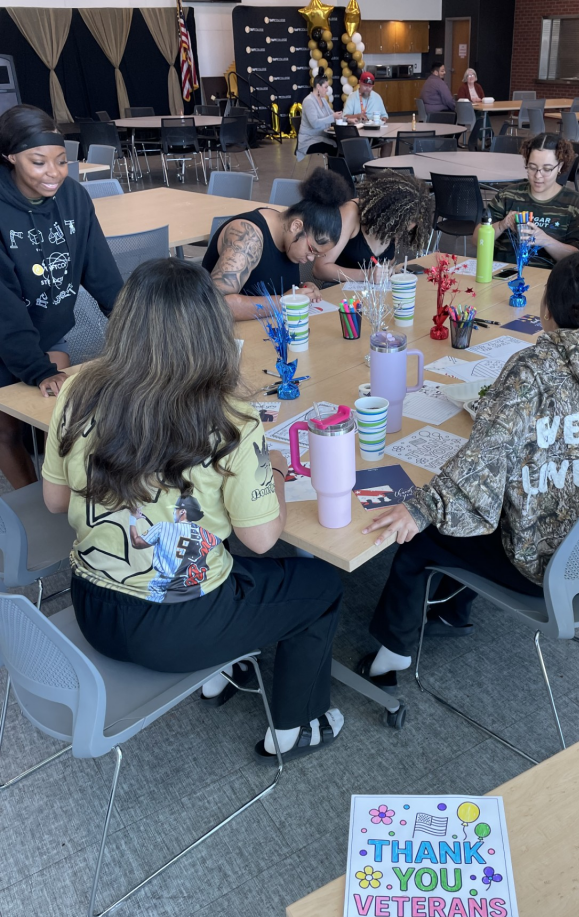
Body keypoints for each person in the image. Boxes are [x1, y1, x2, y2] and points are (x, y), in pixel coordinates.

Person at [41, 258, 345, 762]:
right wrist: (271, 471)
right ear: (211, 330)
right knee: (322, 587)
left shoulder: (77, 387)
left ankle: (221, 673)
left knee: (219, 557)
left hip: (91, 604)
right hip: (177, 628)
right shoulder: (231, 418)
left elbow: (54, 500)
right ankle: (296, 726)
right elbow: (263, 539)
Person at [354, 248, 579, 688]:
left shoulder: (534, 370)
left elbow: (483, 456)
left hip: (549, 562)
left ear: (548, 309)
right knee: (491, 501)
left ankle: (392, 658)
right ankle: (452, 609)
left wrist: (420, 509)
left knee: (425, 537)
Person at [0, 103, 122, 489]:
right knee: (5, 433)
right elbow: (3, 308)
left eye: (61, 161)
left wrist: (138, 323)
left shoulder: (73, 198)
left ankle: (58, 498)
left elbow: (101, 273)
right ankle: (29, 507)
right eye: (38, 162)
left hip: (48, 329)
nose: (53, 173)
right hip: (5, 332)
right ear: (10, 157)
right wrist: (37, 370)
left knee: (55, 421)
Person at [202, 168, 352, 320]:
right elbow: (217, 304)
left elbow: (265, 281)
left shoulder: (288, 238)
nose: (312, 259)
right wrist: (284, 302)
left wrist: (300, 290)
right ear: (296, 226)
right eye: (312, 250)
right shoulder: (248, 236)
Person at [474, 133, 579, 270]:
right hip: (502, 276)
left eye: (547, 169)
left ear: (560, 167)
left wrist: (545, 240)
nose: (538, 176)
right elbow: (476, 240)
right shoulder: (508, 195)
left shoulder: (574, 204)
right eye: (532, 167)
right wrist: (501, 225)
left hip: (549, 282)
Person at [313, 171, 432, 283]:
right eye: (397, 227)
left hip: (373, 294)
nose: (397, 234)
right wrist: (367, 275)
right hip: (340, 293)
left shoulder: (401, 220)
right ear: (387, 211)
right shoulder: (350, 213)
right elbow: (319, 269)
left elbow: (389, 260)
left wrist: (387, 270)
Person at [296, 77, 344, 161]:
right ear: (318, 86)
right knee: (335, 147)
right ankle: (333, 172)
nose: (327, 90)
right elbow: (314, 123)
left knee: (342, 143)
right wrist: (333, 117)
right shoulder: (308, 101)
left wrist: (347, 119)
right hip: (309, 140)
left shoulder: (323, 100)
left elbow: (332, 114)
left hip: (322, 136)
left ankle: (339, 172)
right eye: (325, 87)